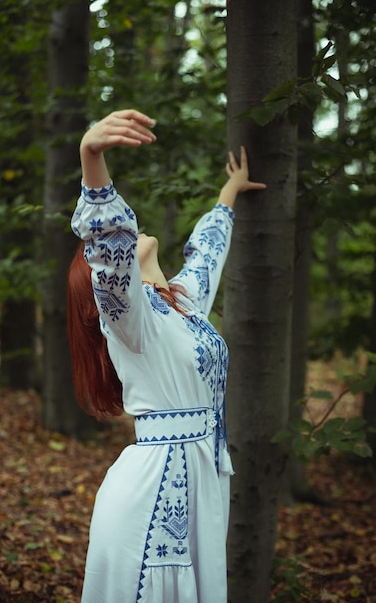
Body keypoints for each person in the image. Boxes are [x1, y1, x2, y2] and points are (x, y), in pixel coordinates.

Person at [67, 109, 266, 603]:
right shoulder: (130, 320)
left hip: (198, 479)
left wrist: (229, 193)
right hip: (157, 494)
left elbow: (207, 252)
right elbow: (109, 248)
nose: (134, 237)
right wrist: (91, 157)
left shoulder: (181, 301)